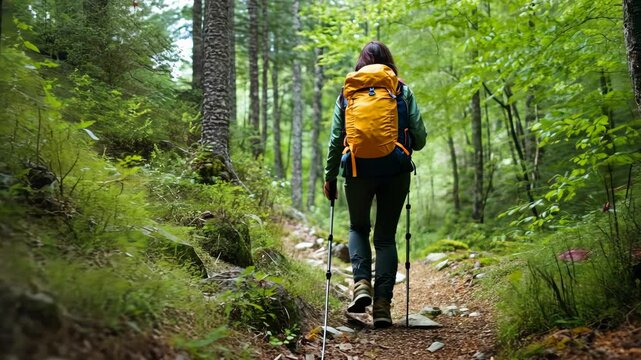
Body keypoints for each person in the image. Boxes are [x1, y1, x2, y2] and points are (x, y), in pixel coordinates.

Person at [323, 41, 427, 328]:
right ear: (389, 63)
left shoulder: (348, 94)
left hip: (357, 169)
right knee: (384, 237)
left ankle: (361, 286)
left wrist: (330, 176)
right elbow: (420, 135)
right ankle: (382, 306)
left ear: (361, 63)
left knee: (358, 227)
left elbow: (335, 140)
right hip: (396, 168)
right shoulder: (401, 91)